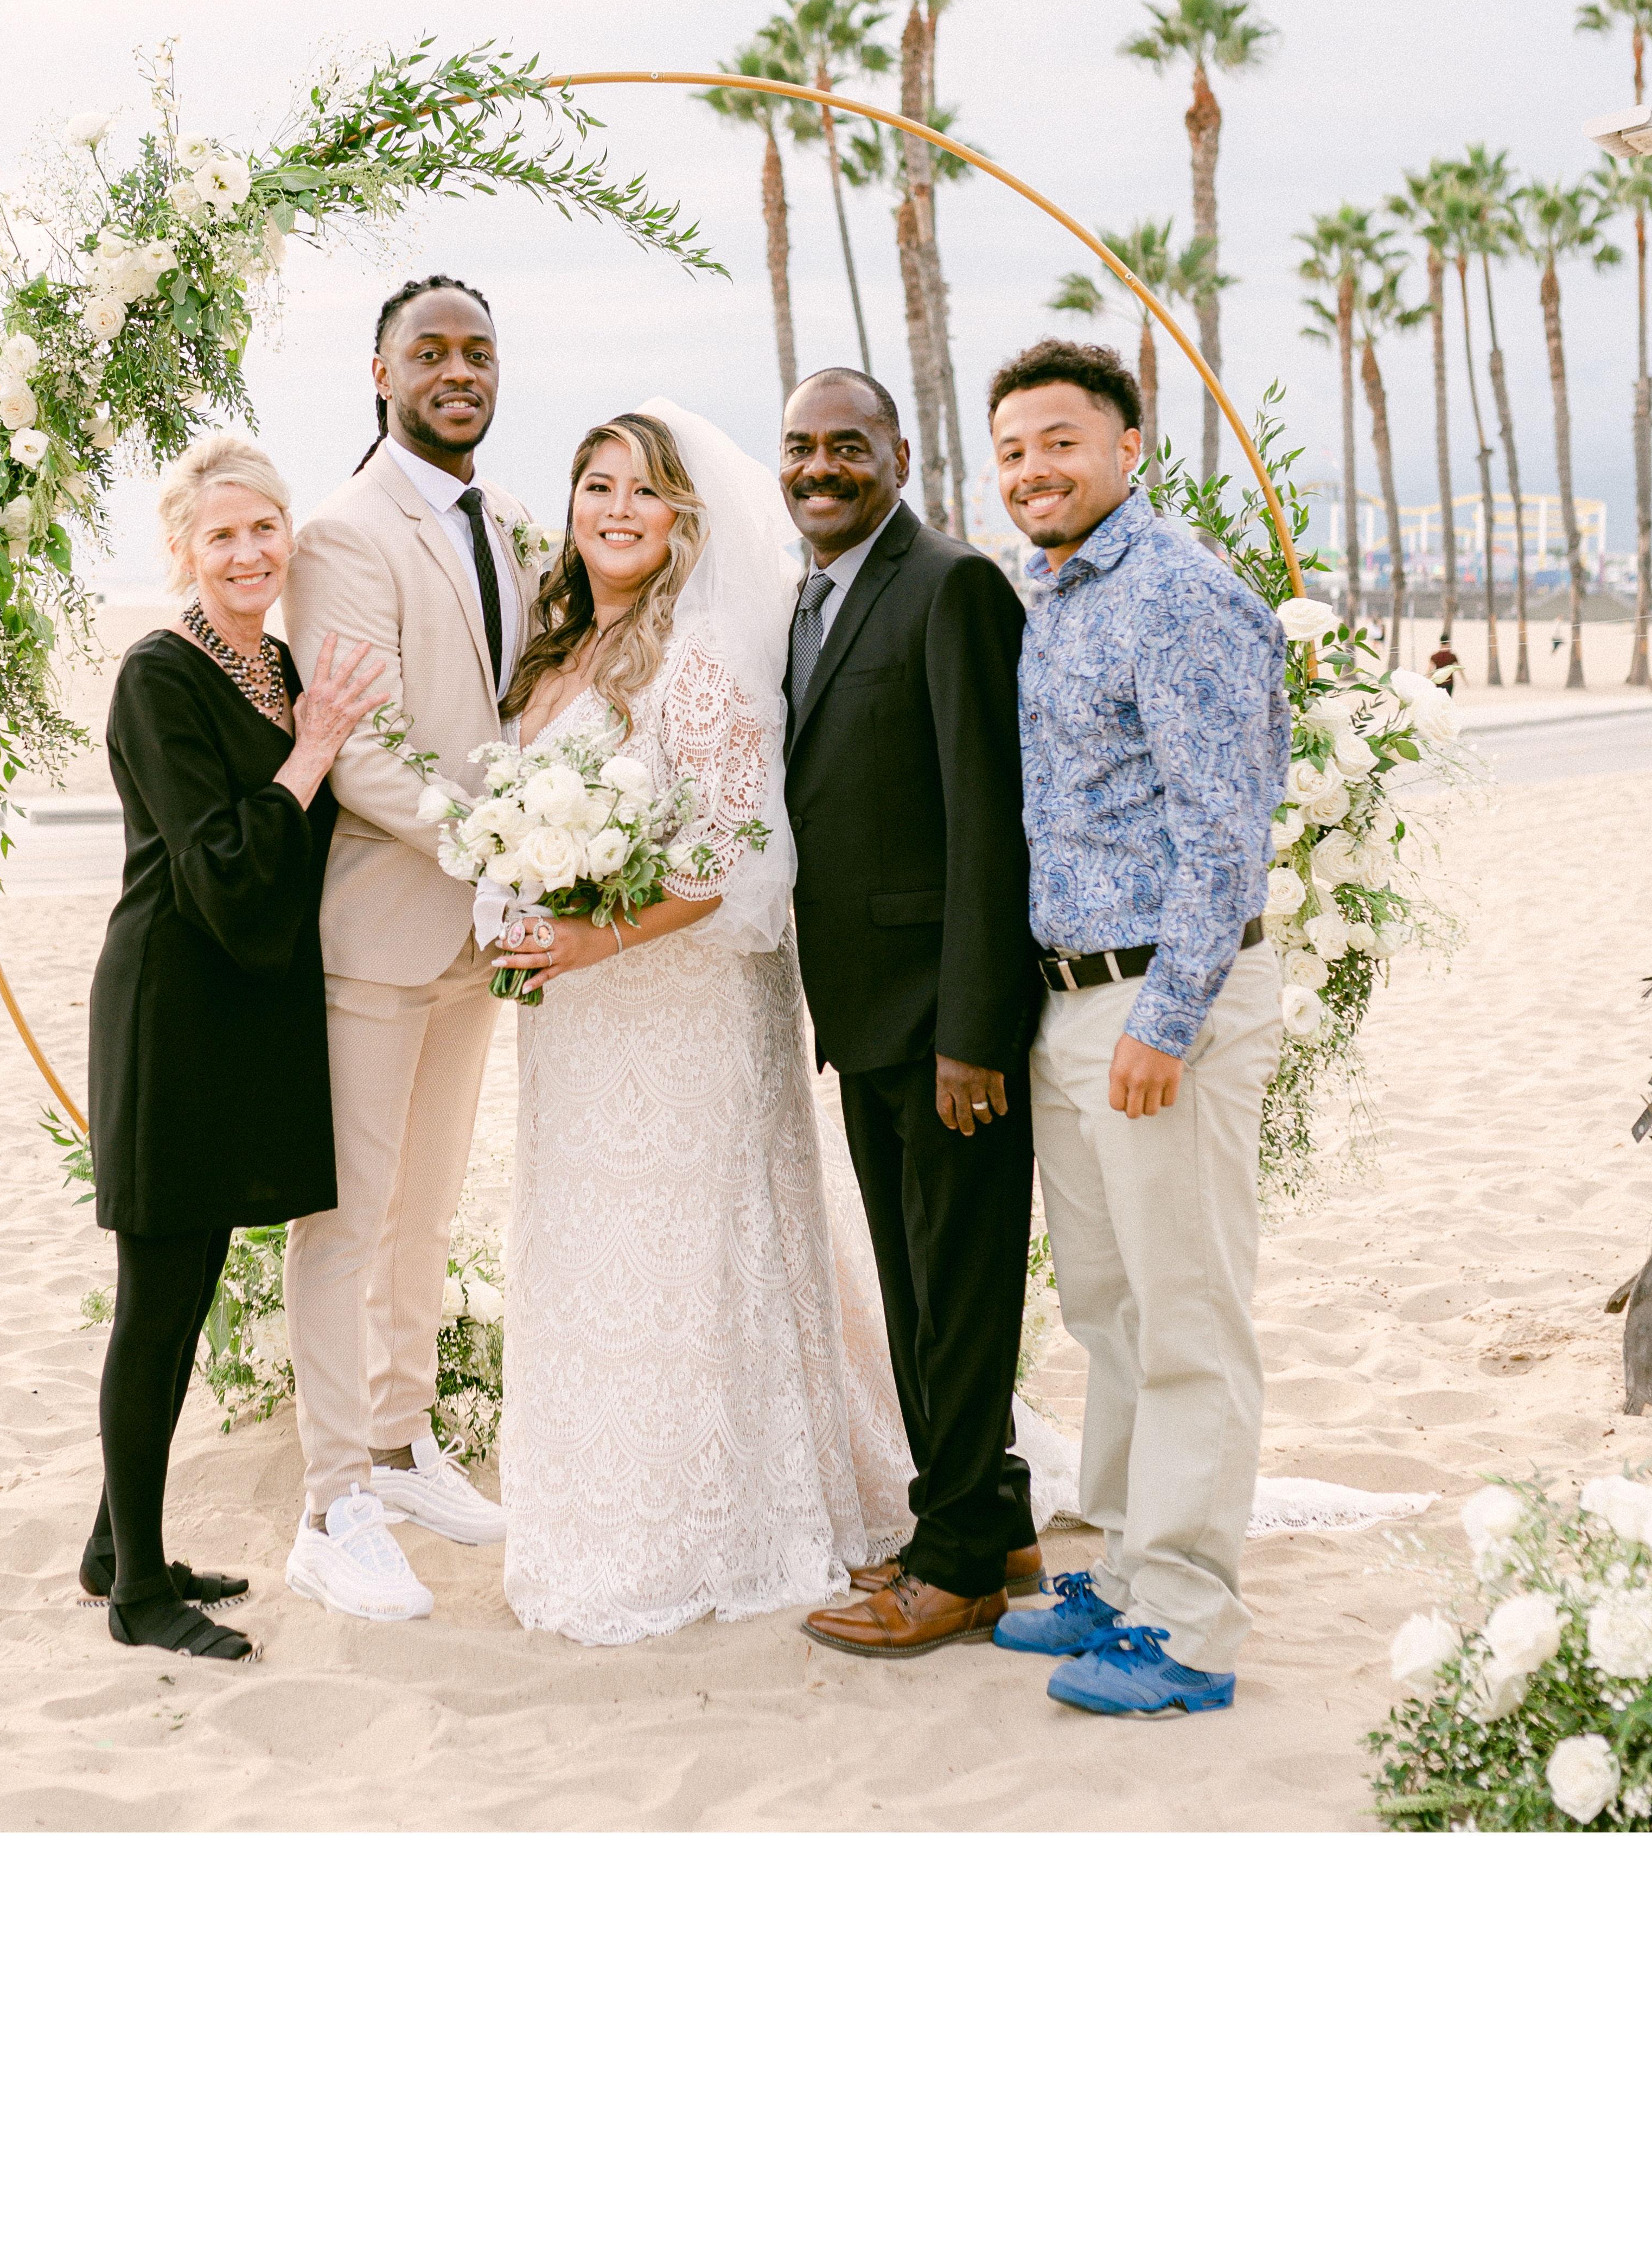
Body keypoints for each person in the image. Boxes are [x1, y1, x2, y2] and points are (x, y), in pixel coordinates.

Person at [487, 405, 910, 1643]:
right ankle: (597, 1510)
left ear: (685, 518)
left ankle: (718, 1518)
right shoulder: (549, 653)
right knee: (589, 1250)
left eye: (644, 490)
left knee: (691, 1251)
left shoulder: (701, 659)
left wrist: (595, 936)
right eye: (597, 485)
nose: (617, 509)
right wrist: (513, 913)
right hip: (577, 1022)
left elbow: (732, 857)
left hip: (687, 1010)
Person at [981, 337, 1289, 1721]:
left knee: (1187, 1319)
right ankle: (1116, 1576)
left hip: (1163, 1004)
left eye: (1061, 441)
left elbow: (1226, 830)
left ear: (1129, 449)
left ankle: (1191, 1629)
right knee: (1106, 1311)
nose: (1033, 469)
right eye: (1013, 450)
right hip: (1070, 1000)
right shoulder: (1054, 594)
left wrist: (1165, 1020)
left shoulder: (1179, 595)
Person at [78, 433, 385, 1659]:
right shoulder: (159, 677)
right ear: (182, 551)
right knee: (157, 1302)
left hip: (239, 1006)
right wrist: (311, 752)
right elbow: (218, 866)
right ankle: (139, 1598)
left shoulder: (276, 664)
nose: (250, 552)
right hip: (171, 1006)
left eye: (266, 528)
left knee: (192, 1283)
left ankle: (117, 1546)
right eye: (223, 535)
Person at [276, 277, 543, 1619]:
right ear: (380, 373)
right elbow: (365, 753)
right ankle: (331, 1503)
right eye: (429, 352)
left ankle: (398, 1443)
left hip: (474, 940)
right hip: (382, 928)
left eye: (476, 352)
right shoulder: (343, 533)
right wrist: (497, 847)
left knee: (426, 1209)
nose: (458, 371)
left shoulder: (511, 525)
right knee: (346, 1220)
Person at [774, 368, 1048, 1663]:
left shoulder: (951, 586)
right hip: (863, 1016)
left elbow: (990, 817)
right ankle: (990, 1519)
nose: (820, 468)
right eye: (800, 447)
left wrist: (974, 1033)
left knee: (962, 1294)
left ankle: (955, 1573)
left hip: (946, 1024)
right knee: (918, 1293)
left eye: (848, 446)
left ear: (898, 456)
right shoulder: (811, 602)